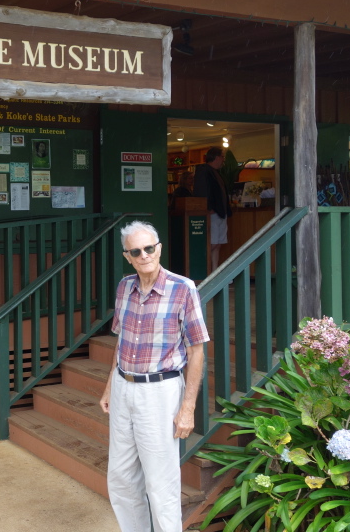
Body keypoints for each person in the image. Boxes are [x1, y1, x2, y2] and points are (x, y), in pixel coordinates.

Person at [98, 221, 209, 532]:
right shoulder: (125, 287)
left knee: (161, 483)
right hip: (123, 386)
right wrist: (109, 386)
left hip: (160, 392)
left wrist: (187, 409)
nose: (144, 254)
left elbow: (197, 351)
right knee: (121, 477)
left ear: (159, 248)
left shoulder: (182, 288)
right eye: (137, 251)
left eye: (149, 248)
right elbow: (122, 340)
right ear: (128, 256)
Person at [193, 147, 231, 272]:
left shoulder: (215, 172)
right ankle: (206, 269)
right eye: (222, 157)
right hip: (213, 212)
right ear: (216, 157)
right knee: (212, 243)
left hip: (220, 212)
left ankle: (214, 270)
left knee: (218, 243)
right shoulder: (204, 171)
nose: (223, 160)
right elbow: (202, 190)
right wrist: (208, 208)